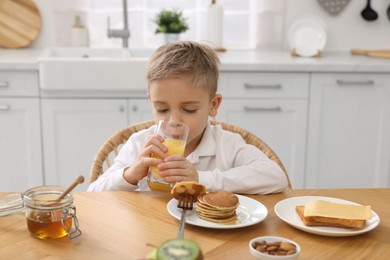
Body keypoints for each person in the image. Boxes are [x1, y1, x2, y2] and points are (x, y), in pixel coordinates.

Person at [88, 41, 288, 194]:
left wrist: (200, 179)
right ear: (151, 101)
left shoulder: (227, 145)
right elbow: (93, 194)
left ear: (213, 105)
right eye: (162, 109)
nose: (174, 121)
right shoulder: (140, 144)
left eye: (189, 109)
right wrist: (130, 175)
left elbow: (275, 177)